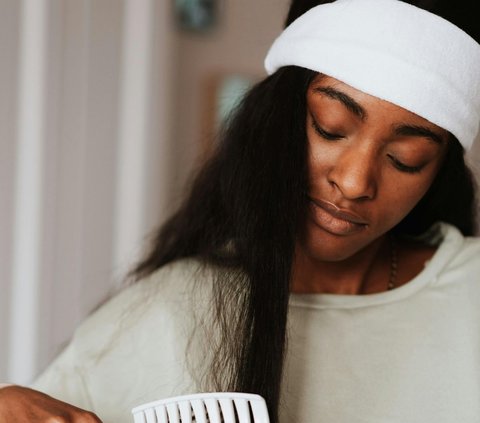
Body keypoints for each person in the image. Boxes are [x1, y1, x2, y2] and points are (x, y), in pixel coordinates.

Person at [1, 0, 480, 421]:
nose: (354, 183)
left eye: (406, 160)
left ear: (439, 172)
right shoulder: (168, 310)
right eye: (330, 128)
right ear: (276, 118)